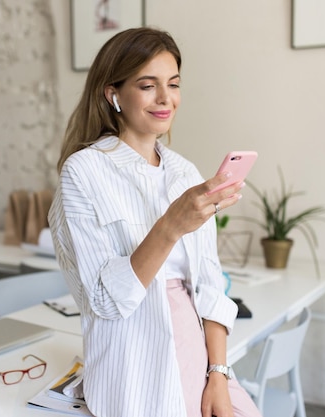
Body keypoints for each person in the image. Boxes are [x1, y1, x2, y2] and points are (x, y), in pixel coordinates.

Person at [48, 27, 262, 417]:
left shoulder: (185, 172)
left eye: (174, 84)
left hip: (199, 353)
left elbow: (212, 288)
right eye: (148, 85)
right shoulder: (84, 172)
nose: (166, 98)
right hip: (132, 365)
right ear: (113, 94)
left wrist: (218, 375)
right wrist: (170, 226)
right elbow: (104, 302)